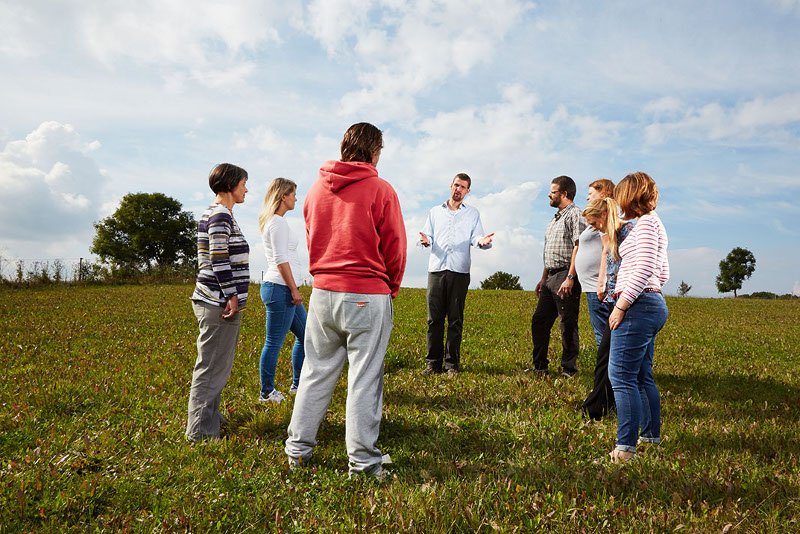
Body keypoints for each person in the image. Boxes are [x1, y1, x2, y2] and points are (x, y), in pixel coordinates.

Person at [285, 122, 407, 478]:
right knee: (365, 378)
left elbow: (312, 239)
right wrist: (390, 287)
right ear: (374, 151)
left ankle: (297, 451)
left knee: (315, 371)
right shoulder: (381, 189)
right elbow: (395, 247)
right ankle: (363, 462)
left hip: (323, 293)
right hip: (367, 293)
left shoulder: (313, 192)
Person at [607, 172, 669, 463]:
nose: (618, 202)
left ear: (631, 195)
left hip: (637, 304)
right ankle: (650, 437)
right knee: (642, 375)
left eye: (621, 195)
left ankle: (625, 450)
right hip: (652, 302)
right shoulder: (656, 224)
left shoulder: (644, 226)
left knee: (621, 376)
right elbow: (663, 271)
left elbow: (644, 268)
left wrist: (622, 305)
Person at [186, 163, 250, 442]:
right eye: (244, 183)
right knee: (211, 367)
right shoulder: (220, 214)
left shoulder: (219, 214)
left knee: (217, 366)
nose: (246, 189)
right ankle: (199, 431)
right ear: (230, 184)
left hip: (215, 299)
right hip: (217, 301)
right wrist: (231, 294)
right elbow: (218, 257)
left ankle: (209, 417)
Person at [419, 173, 494, 375]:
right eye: (456, 185)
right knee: (434, 319)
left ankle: (451, 365)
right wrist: (426, 241)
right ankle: (432, 363)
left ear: (468, 191)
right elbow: (428, 236)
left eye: (462, 187)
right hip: (436, 270)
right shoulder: (435, 212)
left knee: (455, 319)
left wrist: (482, 242)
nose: (458, 189)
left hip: (459, 271)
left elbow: (476, 237)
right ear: (450, 186)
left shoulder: (472, 214)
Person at [580, 197, 635, 420]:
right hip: (615, 300)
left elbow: (637, 271)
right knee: (606, 357)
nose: (595, 228)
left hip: (628, 305)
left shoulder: (630, 233)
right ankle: (599, 405)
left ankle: (600, 408)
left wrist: (621, 305)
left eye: (595, 223)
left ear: (604, 216)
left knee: (615, 360)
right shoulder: (614, 237)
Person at [529, 175, 586, 377]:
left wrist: (570, 277)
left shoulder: (575, 215)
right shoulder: (554, 220)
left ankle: (568, 368)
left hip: (565, 275)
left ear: (564, 194)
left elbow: (578, 246)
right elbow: (548, 252)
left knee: (567, 324)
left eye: (553, 192)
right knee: (539, 321)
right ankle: (540, 366)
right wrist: (543, 278)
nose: (549, 195)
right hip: (550, 277)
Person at [257, 178, 306, 403]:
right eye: (293, 193)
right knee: (273, 342)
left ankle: (298, 385)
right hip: (280, 289)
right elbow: (280, 259)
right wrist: (294, 289)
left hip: (284, 288)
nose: (296, 197)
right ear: (283, 195)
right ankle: (266, 393)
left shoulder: (278, 222)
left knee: (307, 337)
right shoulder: (277, 223)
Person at [574, 179, 615, 347]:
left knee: (602, 334)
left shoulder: (605, 218)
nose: (587, 198)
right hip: (591, 285)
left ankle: (606, 371)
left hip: (597, 286)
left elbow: (607, 249)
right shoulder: (597, 219)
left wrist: (601, 282)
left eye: (590, 194)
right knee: (602, 332)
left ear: (603, 193)